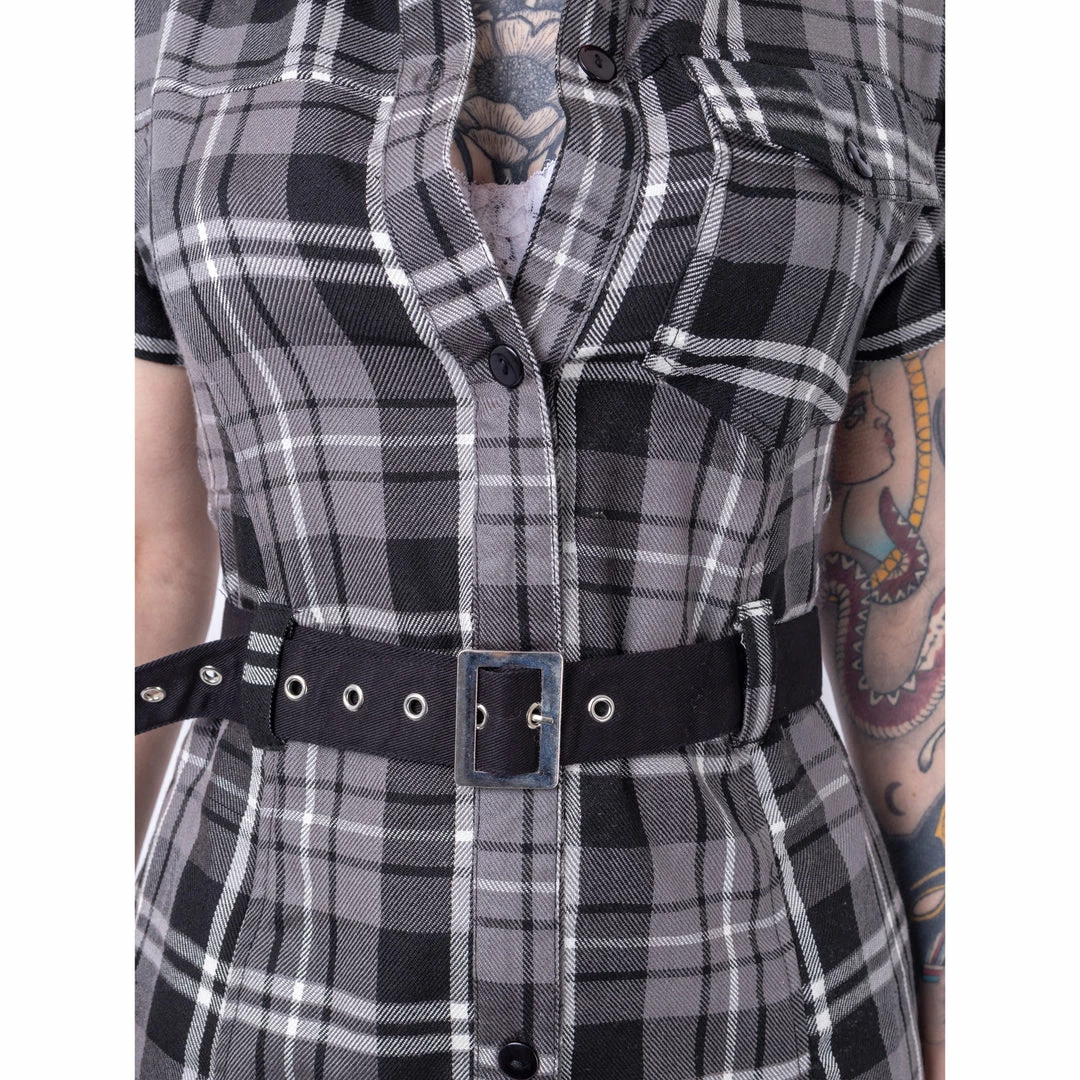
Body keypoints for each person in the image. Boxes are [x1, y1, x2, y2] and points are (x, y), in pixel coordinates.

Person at [134, 1, 945, 1077]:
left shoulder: (896, 26)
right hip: (267, 979)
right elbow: (141, 548)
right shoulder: (159, 28)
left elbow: (917, 590)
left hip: (757, 984)